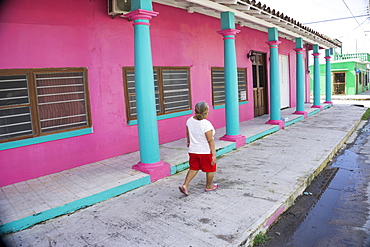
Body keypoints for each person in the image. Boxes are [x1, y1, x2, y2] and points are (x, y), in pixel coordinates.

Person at [179, 101, 218, 196]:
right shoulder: (206, 124)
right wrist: (213, 154)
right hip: (205, 151)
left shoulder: (189, 120)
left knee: (193, 168)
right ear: (205, 112)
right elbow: (210, 140)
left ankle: (185, 185)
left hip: (193, 150)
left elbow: (188, 133)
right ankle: (208, 186)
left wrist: (189, 142)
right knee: (210, 169)